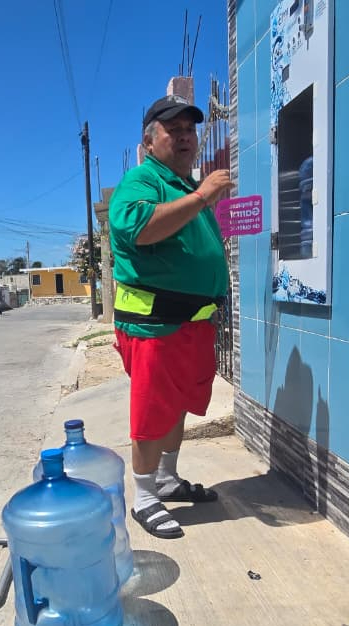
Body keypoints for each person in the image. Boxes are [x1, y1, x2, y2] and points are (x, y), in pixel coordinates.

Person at [108, 95, 234, 539]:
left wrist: (197, 195)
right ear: (149, 140)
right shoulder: (143, 181)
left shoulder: (184, 186)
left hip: (190, 324)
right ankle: (143, 496)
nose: (184, 136)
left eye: (189, 129)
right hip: (155, 325)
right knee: (152, 411)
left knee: (177, 404)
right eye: (172, 129)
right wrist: (202, 196)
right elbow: (140, 229)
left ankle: (165, 478)